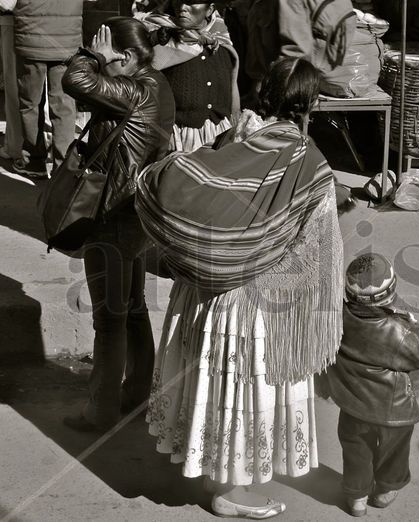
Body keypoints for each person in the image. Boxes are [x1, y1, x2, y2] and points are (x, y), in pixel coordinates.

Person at [136, 57, 344, 519]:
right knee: (244, 393)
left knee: (215, 386)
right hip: (253, 303)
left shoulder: (232, 137)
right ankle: (234, 492)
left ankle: (215, 471)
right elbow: (318, 243)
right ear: (310, 105)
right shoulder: (308, 162)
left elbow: (177, 178)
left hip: (205, 294)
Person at [61, 18, 175, 432]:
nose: (102, 67)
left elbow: (74, 79)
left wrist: (93, 57)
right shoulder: (157, 84)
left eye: (110, 58)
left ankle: (100, 412)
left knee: (110, 319)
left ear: (125, 57)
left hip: (113, 215)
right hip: (138, 214)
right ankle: (137, 395)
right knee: (133, 310)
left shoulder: (134, 90)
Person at [326, 253, 419, 517]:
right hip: (392, 409)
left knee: (356, 451)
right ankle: (384, 489)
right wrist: (411, 324)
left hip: (352, 406)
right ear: (391, 293)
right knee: (394, 451)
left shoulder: (338, 318)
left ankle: (357, 498)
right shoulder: (399, 331)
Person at [135, 0, 239, 152]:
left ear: (209, 10)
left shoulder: (221, 39)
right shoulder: (162, 38)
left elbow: (231, 86)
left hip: (220, 134)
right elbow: (147, 89)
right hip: (178, 136)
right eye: (179, 2)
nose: (183, 8)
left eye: (191, 3)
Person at [12, 0, 83, 178]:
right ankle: (63, 171)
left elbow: (6, 3)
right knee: (64, 106)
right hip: (67, 37)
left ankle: (35, 162)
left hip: (31, 34)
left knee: (30, 103)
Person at [0, 6, 23, 161]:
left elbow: (7, 3)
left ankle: (15, 146)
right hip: (60, 26)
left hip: (16, 21)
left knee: (14, 82)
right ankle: (43, 141)